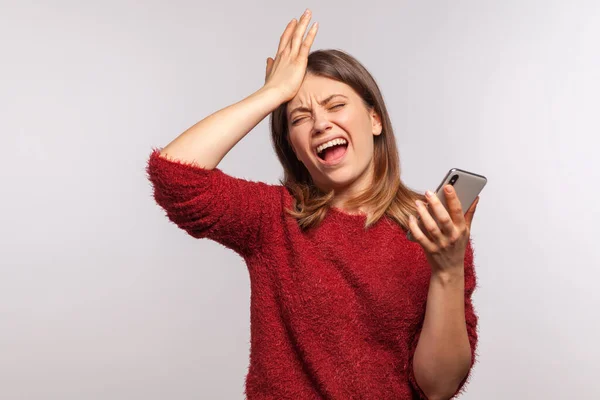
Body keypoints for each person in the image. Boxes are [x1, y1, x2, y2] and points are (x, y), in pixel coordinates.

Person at [146, 8, 480, 400]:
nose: (321, 123)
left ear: (375, 120)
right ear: (295, 148)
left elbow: (438, 386)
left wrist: (447, 269)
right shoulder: (274, 217)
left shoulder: (434, 233)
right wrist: (271, 95)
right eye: (300, 117)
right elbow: (174, 176)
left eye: (336, 105)